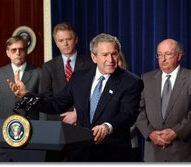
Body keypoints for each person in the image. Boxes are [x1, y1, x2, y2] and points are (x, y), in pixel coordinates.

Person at [8, 33, 144, 162]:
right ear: (94, 57)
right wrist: (27, 95)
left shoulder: (131, 81)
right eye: (105, 55)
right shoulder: (79, 78)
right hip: (81, 153)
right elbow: (56, 104)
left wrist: (107, 127)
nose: (111, 60)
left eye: (114, 54)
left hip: (112, 153)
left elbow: (128, 114)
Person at [136, 38, 191, 162]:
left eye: (168, 54)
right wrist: (150, 133)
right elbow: (138, 109)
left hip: (183, 154)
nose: (163, 59)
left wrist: (175, 132)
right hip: (153, 154)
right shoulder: (146, 78)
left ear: (179, 56)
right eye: (159, 55)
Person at [40, 22, 94, 161]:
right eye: (61, 40)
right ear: (56, 43)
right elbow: (46, 98)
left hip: (83, 126)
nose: (65, 44)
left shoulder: (90, 64)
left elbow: (95, 95)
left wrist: (77, 113)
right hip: (57, 128)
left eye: (68, 39)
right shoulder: (48, 67)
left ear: (75, 39)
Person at [0, 35, 42, 161]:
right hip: (4, 137)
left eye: (21, 49)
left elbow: (42, 106)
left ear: (26, 51)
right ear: (8, 53)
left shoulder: (38, 73)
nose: (18, 53)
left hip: (31, 136)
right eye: (13, 50)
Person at [118, 53, 140, 162]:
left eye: (118, 61)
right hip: (105, 144)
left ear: (123, 62)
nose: (114, 63)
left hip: (129, 142)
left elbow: (136, 114)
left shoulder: (134, 83)